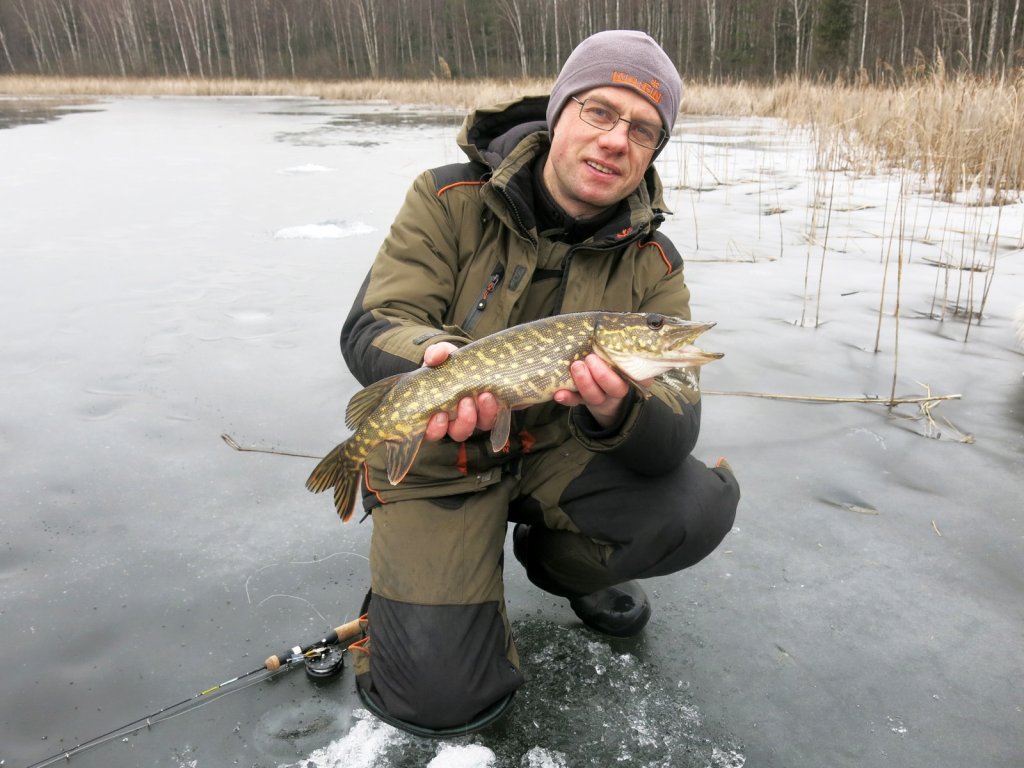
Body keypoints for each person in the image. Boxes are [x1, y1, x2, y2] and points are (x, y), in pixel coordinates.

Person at [337, 29, 740, 734]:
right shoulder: (448, 197)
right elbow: (377, 322)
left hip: (557, 459)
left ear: (653, 150)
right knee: (439, 700)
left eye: (643, 130)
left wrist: (620, 411)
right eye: (600, 111)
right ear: (560, 113)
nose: (616, 140)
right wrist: (429, 355)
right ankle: (419, 597)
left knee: (693, 507)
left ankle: (560, 563)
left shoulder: (654, 262)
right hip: (442, 459)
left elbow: (675, 431)